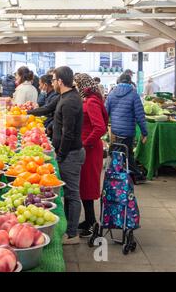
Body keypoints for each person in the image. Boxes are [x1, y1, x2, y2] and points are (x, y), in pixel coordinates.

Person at [52, 66, 85, 245]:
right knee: (70, 194)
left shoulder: (70, 101)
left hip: (71, 154)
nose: (52, 83)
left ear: (60, 81)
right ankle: (69, 229)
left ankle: (72, 234)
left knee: (72, 194)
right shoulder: (66, 97)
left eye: (53, 80)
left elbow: (69, 133)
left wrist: (61, 155)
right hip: (69, 153)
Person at [74, 74, 109, 238]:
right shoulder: (89, 100)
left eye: (76, 84)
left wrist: (85, 143)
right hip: (88, 148)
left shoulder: (92, 102)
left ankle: (92, 224)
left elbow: (100, 128)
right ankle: (89, 220)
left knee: (88, 186)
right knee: (84, 186)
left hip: (90, 149)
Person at [105, 73, 148, 184]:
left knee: (125, 153)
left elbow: (105, 113)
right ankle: (114, 177)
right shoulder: (134, 94)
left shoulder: (112, 93)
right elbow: (140, 115)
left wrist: (105, 128)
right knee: (123, 154)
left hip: (115, 130)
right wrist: (144, 132)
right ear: (130, 82)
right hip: (128, 131)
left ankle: (135, 175)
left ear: (119, 81)